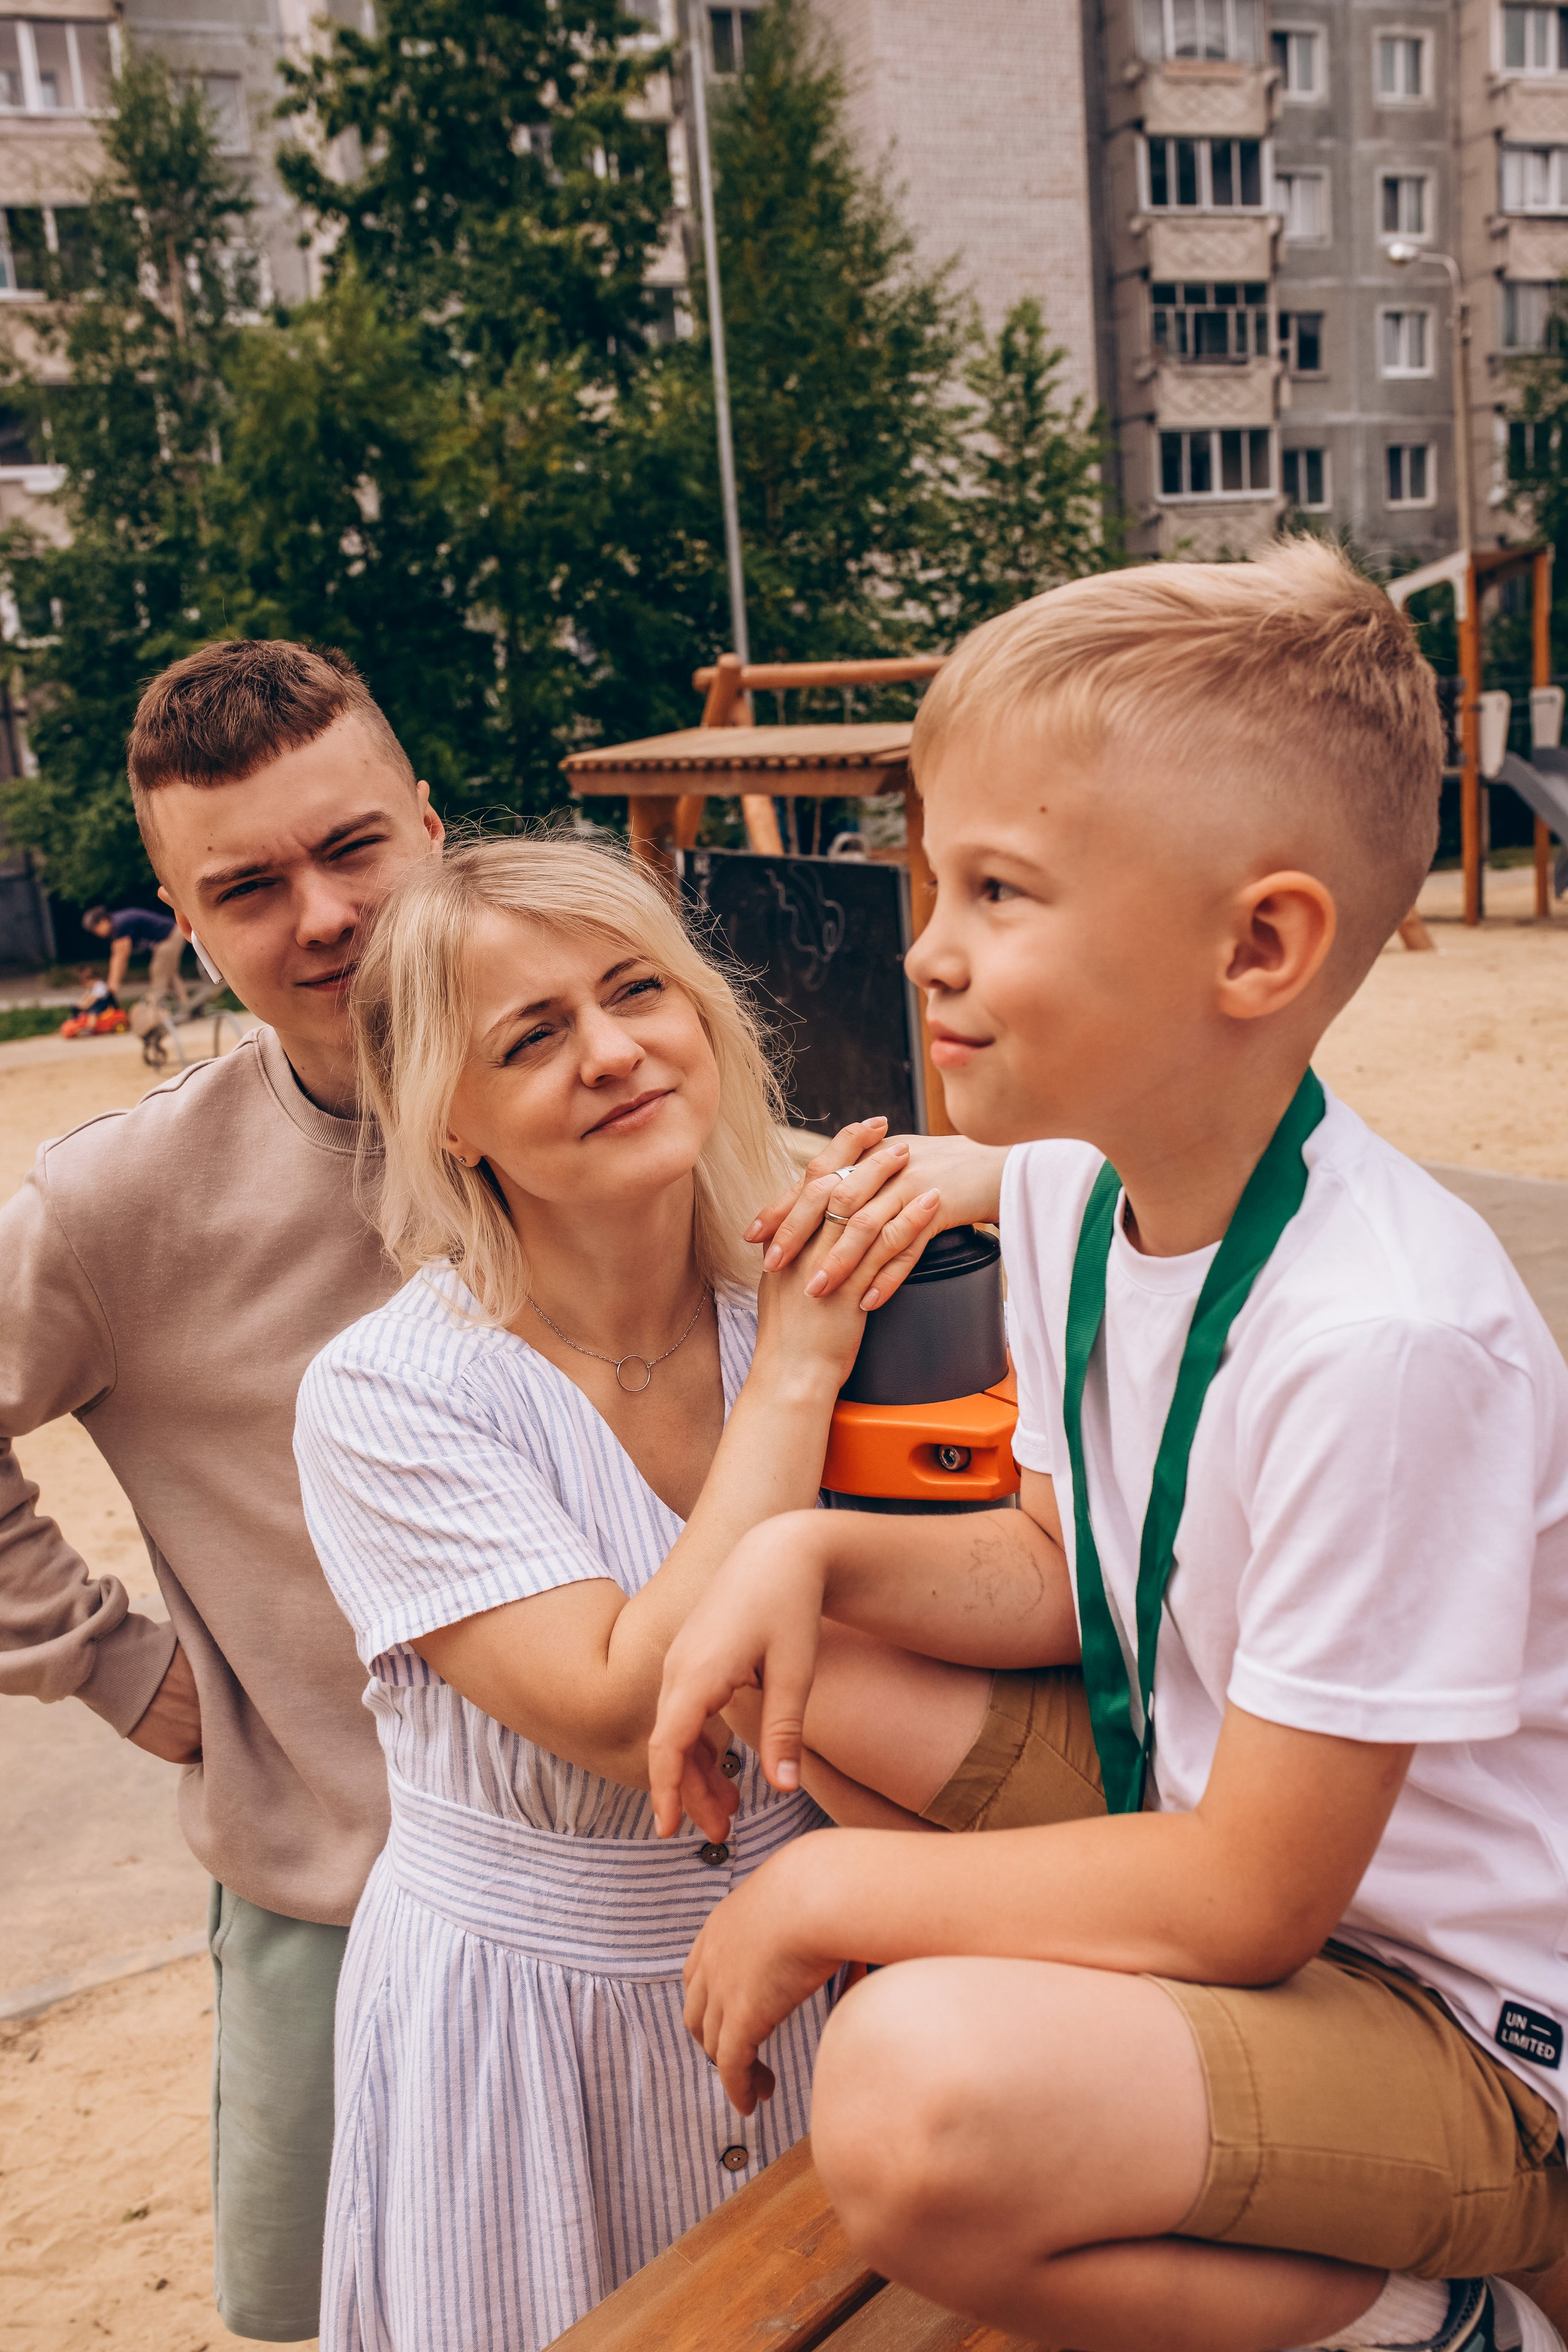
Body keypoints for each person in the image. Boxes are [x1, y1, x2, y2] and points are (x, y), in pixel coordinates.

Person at [0, 636, 1000, 2343]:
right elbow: (624, 1695)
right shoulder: (130, 1207)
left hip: (773, 1882)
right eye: (248, 888)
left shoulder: (724, 1195)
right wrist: (133, 1671)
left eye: (353, 849)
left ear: (430, 824)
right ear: (182, 912)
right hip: (379, 1873)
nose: (320, 915)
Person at [650, 541, 1568, 2352]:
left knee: (912, 2098)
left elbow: (1249, 1894)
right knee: (807, 1661)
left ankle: (1442, 2325)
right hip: (1252, 1877)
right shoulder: (1085, 1194)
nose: (927, 942)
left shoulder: (1378, 1337)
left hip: (1457, 2023)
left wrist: (840, 1886)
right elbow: (1070, 1571)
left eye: (999, 887)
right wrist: (806, 1556)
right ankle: (1134, 2094)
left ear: (1257, 945)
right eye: (932, 875)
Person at [288, 837, 949, 2352]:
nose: (611, 1052)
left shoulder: (826, 1275)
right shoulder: (389, 1395)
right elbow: (621, 1707)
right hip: (526, 2039)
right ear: (445, 1119)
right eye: (529, 1036)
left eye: (634, 989)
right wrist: (792, 1376)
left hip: (830, 1985)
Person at [82, 899, 189, 1010]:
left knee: (158, 971)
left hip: (169, 936)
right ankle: (185, 1004)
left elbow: (121, 958)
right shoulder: (116, 926)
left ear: (103, 921)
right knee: (169, 973)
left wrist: (113, 987)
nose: (97, 934)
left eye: (95, 930)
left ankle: (156, 1011)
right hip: (166, 937)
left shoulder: (120, 924)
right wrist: (112, 985)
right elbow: (116, 957)